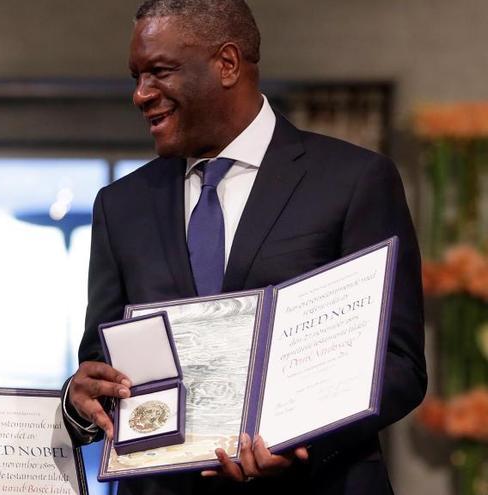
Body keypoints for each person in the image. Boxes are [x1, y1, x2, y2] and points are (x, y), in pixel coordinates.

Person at [62, 1, 426, 493]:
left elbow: (398, 363)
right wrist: (80, 396)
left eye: (158, 72)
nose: (140, 94)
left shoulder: (354, 180)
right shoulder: (120, 205)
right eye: (135, 77)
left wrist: (299, 443)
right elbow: (101, 362)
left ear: (227, 64)